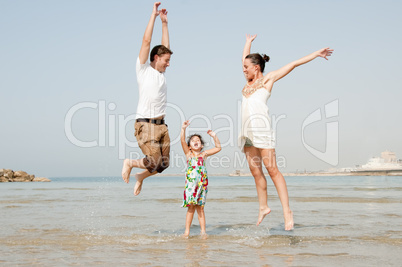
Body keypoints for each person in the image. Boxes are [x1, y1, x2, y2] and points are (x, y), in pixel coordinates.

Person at [239, 34, 333, 230]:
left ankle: (287, 211)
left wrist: (316, 54)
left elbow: (293, 64)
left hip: (262, 131)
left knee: (273, 171)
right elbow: (244, 59)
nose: (243, 69)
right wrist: (248, 42)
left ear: (256, 68)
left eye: (246, 67)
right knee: (256, 172)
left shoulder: (268, 79)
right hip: (246, 133)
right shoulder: (247, 83)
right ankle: (263, 207)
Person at [121, 2, 173, 196]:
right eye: (166, 60)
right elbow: (146, 41)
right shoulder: (143, 70)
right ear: (156, 57)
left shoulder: (161, 75)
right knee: (153, 161)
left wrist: (165, 23)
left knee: (164, 164)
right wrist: (153, 16)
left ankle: (140, 176)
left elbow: (165, 47)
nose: (169, 64)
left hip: (162, 125)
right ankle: (130, 163)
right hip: (146, 124)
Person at [181, 120, 221, 238]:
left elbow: (218, 147)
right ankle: (187, 232)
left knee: (201, 208)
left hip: (202, 185)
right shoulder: (189, 154)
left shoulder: (204, 154)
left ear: (202, 145)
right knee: (191, 208)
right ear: (189, 146)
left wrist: (214, 136)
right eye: (193, 141)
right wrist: (183, 129)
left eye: (198, 140)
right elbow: (182, 141)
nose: (195, 141)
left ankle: (203, 232)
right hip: (191, 186)